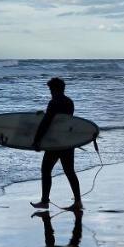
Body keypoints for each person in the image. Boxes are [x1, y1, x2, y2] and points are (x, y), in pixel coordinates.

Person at [31, 77, 83, 211]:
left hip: (55, 143)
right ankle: (78, 202)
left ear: (55, 89)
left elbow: (47, 123)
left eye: (50, 89)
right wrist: (44, 114)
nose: (50, 92)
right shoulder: (69, 102)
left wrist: (37, 140)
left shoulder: (54, 102)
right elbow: (61, 120)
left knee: (46, 169)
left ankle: (44, 201)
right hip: (67, 141)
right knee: (70, 171)